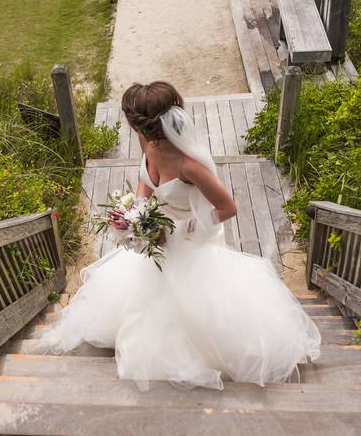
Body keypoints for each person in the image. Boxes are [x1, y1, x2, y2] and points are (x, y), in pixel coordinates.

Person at [38, 81, 321, 391]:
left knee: (192, 306)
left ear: (145, 125)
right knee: (147, 296)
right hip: (158, 239)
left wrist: (182, 229)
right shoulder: (149, 146)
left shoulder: (191, 166)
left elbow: (228, 207)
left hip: (190, 241)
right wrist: (137, 217)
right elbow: (145, 183)